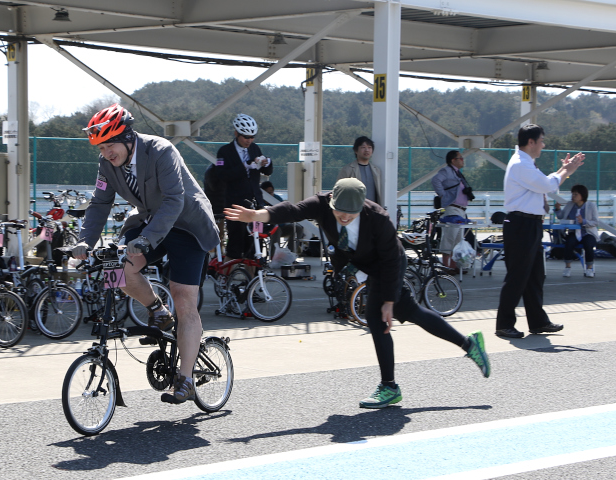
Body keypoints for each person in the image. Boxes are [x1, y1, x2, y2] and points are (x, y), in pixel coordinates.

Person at [224, 178, 490, 409]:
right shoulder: (323, 203)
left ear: (362, 205)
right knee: (411, 312)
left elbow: (392, 262)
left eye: (350, 214)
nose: (343, 217)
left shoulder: (379, 219)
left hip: (388, 266)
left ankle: (390, 387)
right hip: (362, 263)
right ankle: (468, 344)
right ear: (332, 201)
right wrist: (259, 215)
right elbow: (293, 210)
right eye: (339, 211)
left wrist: (388, 300)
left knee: (379, 319)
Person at [72, 103, 219, 404]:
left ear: (128, 137)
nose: (106, 153)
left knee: (183, 297)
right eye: (101, 148)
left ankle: (187, 379)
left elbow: (174, 200)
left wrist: (146, 241)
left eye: (110, 145)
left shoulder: (161, 150)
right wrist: (85, 241)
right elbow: (100, 204)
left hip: (187, 226)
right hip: (151, 222)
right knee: (117, 270)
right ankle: (156, 310)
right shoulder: (106, 165)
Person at [496, 124, 585, 339]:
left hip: (529, 224)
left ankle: (538, 321)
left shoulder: (527, 163)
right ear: (531, 142)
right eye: (541, 141)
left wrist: (563, 171)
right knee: (517, 276)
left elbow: (544, 183)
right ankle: (504, 324)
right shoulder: (521, 164)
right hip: (521, 225)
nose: (543, 145)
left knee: (535, 275)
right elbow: (547, 185)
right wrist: (566, 171)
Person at [214, 114, 273, 260]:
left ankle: (252, 277)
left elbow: (266, 172)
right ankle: (230, 275)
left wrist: (268, 163)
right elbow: (221, 175)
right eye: (246, 137)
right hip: (235, 203)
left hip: (255, 202)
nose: (249, 140)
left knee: (255, 240)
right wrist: (244, 166)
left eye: (252, 137)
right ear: (236, 133)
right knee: (236, 240)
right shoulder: (224, 152)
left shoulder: (255, 149)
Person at [431, 150, 476, 273]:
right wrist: (443, 196)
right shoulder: (447, 171)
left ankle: (454, 265)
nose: (462, 160)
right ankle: (446, 265)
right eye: (460, 158)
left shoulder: (456, 173)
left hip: (460, 210)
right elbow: (436, 180)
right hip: (453, 208)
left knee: (458, 238)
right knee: (450, 237)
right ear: (453, 160)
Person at [554, 184, 599, 278]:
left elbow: (595, 222)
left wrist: (584, 221)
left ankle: (589, 268)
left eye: (575, 194)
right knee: (569, 243)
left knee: (588, 244)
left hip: (587, 232)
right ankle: (567, 267)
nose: (573, 196)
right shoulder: (570, 205)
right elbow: (561, 217)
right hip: (573, 232)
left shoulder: (591, 205)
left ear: (582, 195)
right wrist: (558, 209)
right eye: (572, 194)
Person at [336, 136, 382, 205]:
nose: (367, 150)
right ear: (356, 150)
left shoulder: (377, 170)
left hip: (373, 210)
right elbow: (339, 190)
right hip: (354, 210)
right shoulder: (347, 170)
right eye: (363, 147)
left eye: (369, 147)